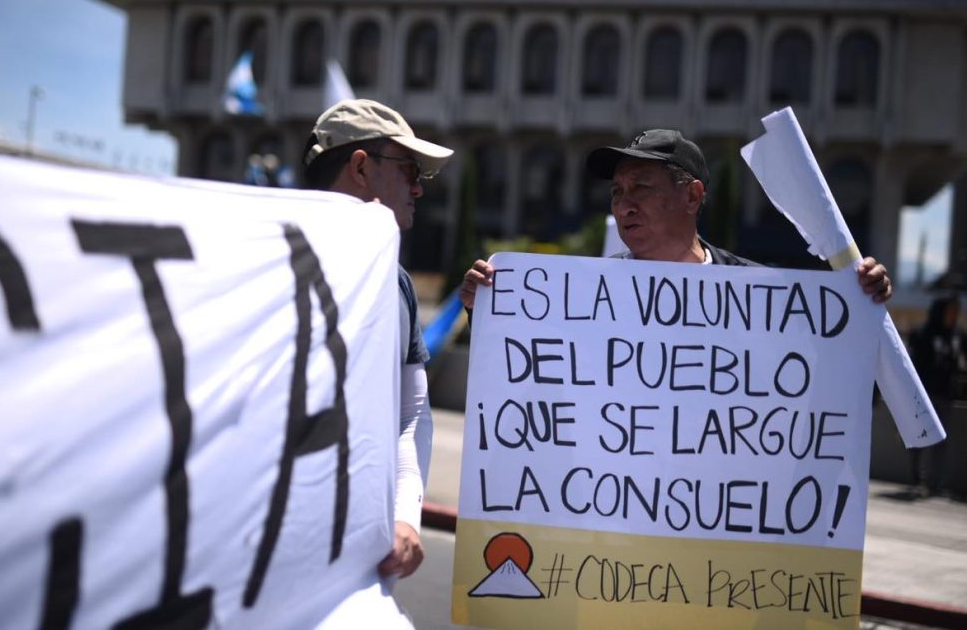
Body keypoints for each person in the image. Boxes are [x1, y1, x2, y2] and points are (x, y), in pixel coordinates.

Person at [460, 128, 893, 307]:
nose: (624, 203)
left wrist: (861, 296)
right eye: (616, 192)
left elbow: (826, 356)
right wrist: (485, 305)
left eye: (641, 187)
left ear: (692, 196)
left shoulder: (756, 297)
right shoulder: (583, 296)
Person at [302, 99, 452, 582]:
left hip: (359, 557)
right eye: (408, 168)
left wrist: (406, 514)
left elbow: (412, 414)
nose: (417, 188)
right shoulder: (265, 264)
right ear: (361, 168)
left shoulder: (398, 283)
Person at [909, 295, 966, 496]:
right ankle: (918, 479)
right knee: (921, 438)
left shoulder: (957, 336)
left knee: (942, 440)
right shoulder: (924, 333)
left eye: (955, 312)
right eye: (950, 312)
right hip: (925, 395)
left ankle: (936, 483)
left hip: (946, 395)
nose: (953, 316)